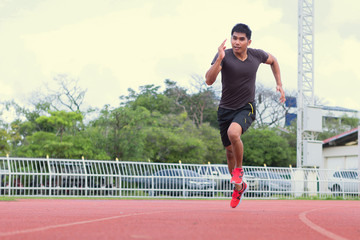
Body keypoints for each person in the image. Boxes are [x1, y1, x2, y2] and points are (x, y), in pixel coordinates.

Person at [205, 23, 285, 208]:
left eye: (241, 39)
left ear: (248, 41)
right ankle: (239, 187)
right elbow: (209, 80)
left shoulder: (257, 55)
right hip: (225, 109)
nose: (237, 42)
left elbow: (273, 61)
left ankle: (239, 170)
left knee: (234, 134)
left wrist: (279, 83)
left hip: (246, 107)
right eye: (234, 38)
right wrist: (219, 60)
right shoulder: (223, 56)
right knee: (229, 152)